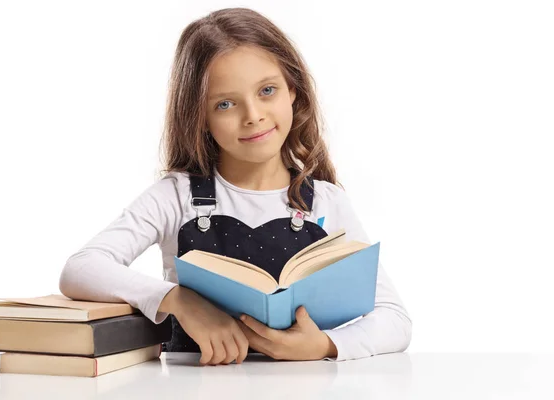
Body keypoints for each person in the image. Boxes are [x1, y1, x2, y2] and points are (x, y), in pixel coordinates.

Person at [58, 7, 412, 366]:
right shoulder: (176, 196)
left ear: (293, 89)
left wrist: (324, 345)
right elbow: (82, 267)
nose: (253, 115)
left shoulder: (326, 202)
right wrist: (177, 299)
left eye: (267, 91)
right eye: (225, 104)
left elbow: (394, 320)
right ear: (200, 116)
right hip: (195, 386)